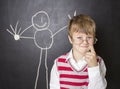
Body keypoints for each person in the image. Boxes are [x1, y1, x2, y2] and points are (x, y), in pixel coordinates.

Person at [50, 14, 107, 89]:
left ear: (94, 39)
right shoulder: (59, 63)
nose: (85, 42)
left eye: (89, 37)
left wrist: (94, 67)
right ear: (70, 39)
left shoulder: (99, 62)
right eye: (79, 37)